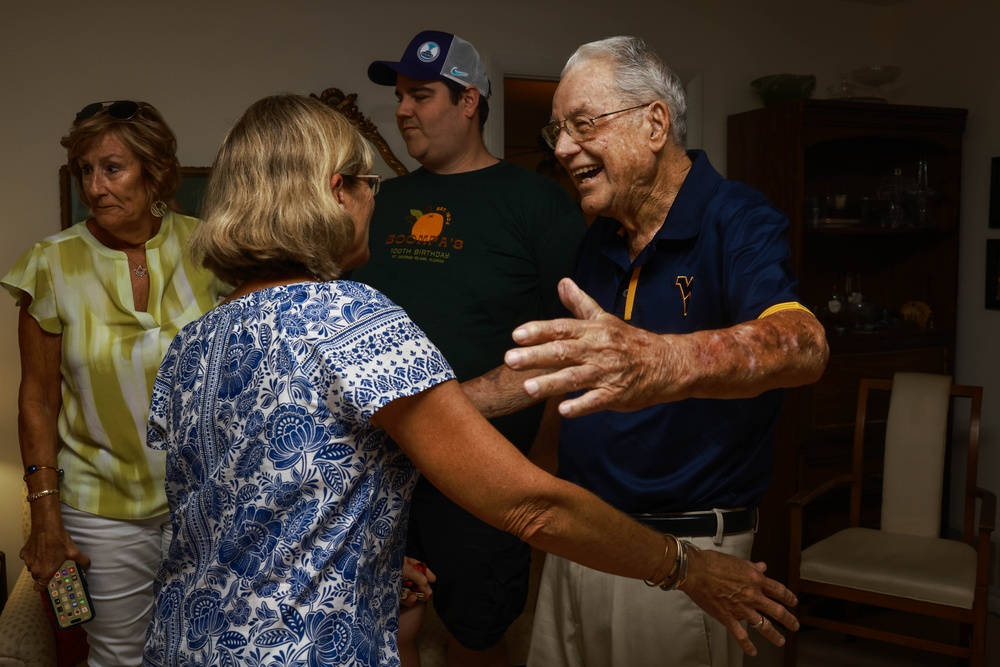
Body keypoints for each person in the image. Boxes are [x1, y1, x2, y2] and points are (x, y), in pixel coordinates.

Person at [141, 93, 802, 667]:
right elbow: (530, 505)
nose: (378, 200)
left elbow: (238, 510)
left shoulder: (196, 339)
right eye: (368, 184)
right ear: (335, 193)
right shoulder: (351, 316)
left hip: (182, 640)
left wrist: (362, 557)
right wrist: (684, 565)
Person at [501, 37, 830, 667]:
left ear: (655, 123)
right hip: (584, 541)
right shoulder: (599, 238)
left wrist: (662, 361)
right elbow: (571, 380)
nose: (563, 148)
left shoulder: (736, 218)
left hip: (684, 561)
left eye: (583, 124)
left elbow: (804, 344)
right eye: (556, 130)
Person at [352, 30, 588, 667]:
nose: (402, 109)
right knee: (380, 629)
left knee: (477, 634)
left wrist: (545, 459)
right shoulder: (379, 203)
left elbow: (576, 340)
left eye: (420, 95)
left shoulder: (537, 204)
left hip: (484, 469)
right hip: (379, 468)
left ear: (469, 102)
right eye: (399, 96)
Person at [2, 100, 230, 666]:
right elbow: (36, 399)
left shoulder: (213, 250)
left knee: (208, 648)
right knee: (119, 656)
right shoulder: (49, 264)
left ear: (155, 172)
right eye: (85, 170)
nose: (95, 187)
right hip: (100, 508)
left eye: (112, 168)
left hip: (205, 501)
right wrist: (47, 518)